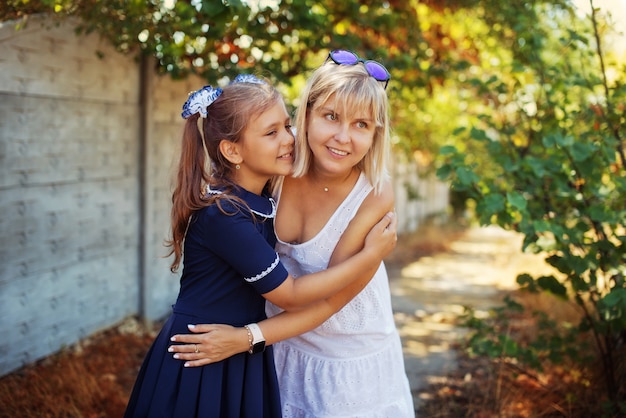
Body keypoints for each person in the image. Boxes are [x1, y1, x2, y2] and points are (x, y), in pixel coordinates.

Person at [123, 74, 398, 418]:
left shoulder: (270, 177)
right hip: (224, 344)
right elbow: (292, 293)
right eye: (330, 116)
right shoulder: (239, 201)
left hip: (300, 347)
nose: (287, 139)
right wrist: (372, 255)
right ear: (308, 115)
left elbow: (333, 296)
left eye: (362, 124)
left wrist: (248, 338)